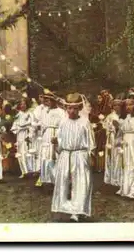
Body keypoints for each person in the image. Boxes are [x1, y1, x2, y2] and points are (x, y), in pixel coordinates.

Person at [51, 93, 95, 222]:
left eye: (75, 108)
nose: (72, 111)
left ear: (79, 108)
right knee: (63, 182)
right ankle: (64, 207)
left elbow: (91, 141)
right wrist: (56, 141)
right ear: (66, 109)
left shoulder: (85, 122)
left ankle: (77, 211)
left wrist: (91, 155)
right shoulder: (63, 122)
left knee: (80, 182)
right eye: (69, 108)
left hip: (80, 155)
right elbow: (60, 138)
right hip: (65, 154)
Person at [115, 93, 134, 200]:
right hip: (126, 143)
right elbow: (121, 132)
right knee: (125, 165)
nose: (128, 107)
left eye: (131, 105)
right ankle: (125, 188)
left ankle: (133, 190)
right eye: (126, 105)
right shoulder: (125, 117)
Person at [36, 92, 66, 187]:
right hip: (46, 135)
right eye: (45, 100)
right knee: (45, 155)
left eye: (48, 100)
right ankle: (45, 179)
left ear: (53, 101)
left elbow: (63, 125)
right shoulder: (45, 111)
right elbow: (42, 123)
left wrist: (58, 136)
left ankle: (56, 179)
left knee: (54, 156)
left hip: (55, 133)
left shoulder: (60, 112)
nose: (47, 102)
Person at [11, 98, 36, 178]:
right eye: (21, 104)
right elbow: (14, 126)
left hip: (27, 134)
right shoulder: (18, 115)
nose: (22, 106)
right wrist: (17, 129)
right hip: (20, 135)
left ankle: (30, 170)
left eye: (24, 104)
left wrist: (30, 134)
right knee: (20, 152)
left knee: (28, 152)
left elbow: (32, 125)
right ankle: (23, 171)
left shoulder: (30, 113)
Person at [104, 98, 123, 187]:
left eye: (119, 105)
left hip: (121, 138)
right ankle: (111, 178)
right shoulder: (110, 116)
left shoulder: (123, 116)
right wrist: (113, 128)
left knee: (119, 157)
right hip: (112, 138)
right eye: (115, 105)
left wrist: (119, 127)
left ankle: (119, 178)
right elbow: (106, 126)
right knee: (112, 156)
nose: (117, 107)